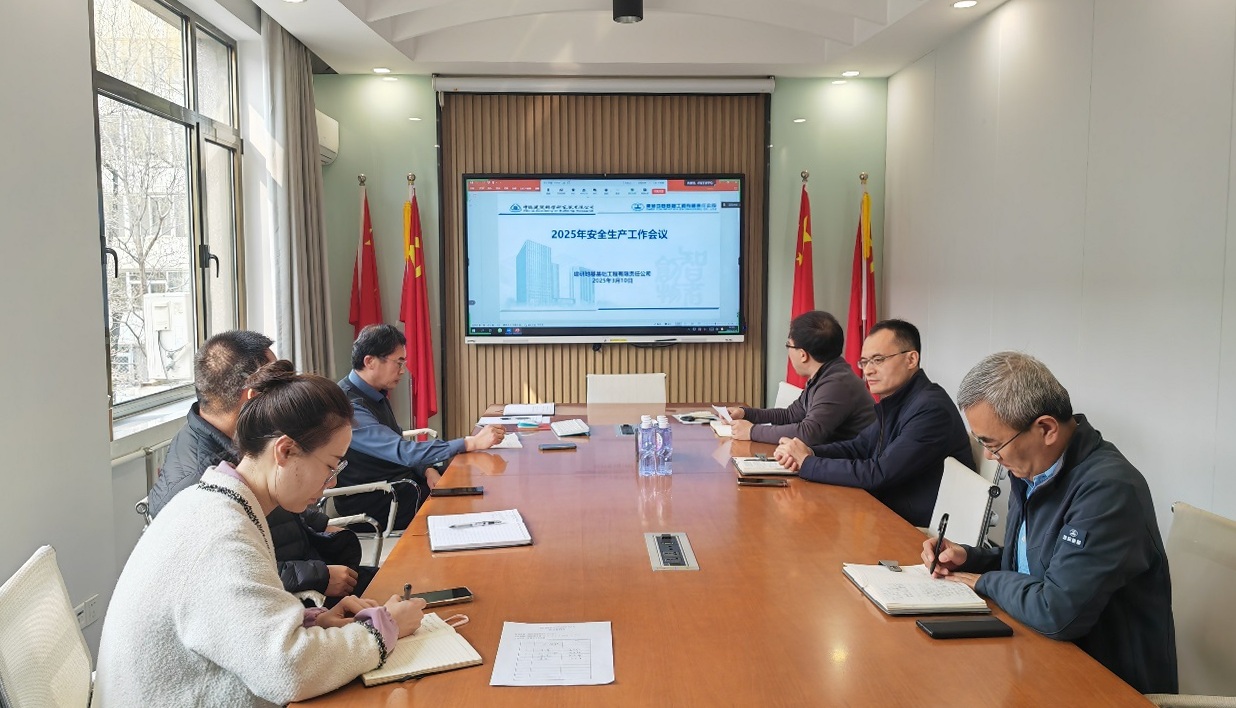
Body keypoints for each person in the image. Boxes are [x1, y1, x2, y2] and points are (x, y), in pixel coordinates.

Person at [93, 361, 427, 706]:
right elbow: (288, 671)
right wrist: (383, 629)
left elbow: (234, 625)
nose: (333, 482)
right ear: (285, 450)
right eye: (330, 466)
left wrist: (313, 622)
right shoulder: (220, 535)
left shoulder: (219, 502)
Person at [922, 352, 1176, 694]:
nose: (989, 456)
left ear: (1046, 429)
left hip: (1105, 683)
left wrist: (984, 581)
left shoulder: (1109, 489)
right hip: (1035, 656)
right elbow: (1034, 565)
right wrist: (969, 558)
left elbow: (1057, 612)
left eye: (993, 444)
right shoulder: (1035, 468)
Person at [146, 330, 366, 601]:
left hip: (303, 562)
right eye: (277, 387)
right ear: (253, 397)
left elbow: (280, 497)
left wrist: (320, 523)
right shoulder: (198, 487)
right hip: (290, 593)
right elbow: (226, 578)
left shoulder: (242, 440)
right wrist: (317, 576)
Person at [772, 319, 973, 526]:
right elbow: (858, 447)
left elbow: (879, 473)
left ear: (911, 359)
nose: (868, 371)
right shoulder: (899, 400)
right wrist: (810, 452)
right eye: (864, 362)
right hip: (888, 514)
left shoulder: (931, 409)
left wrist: (807, 462)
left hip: (918, 530)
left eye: (878, 360)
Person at [337, 324, 503, 529]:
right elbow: (402, 451)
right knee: (469, 501)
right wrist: (471, 442)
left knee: (468, 477)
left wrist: (426, 469)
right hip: (377, 500)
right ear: (370, 361)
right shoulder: (349, 406)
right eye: (398, 362)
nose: (403, 370)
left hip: (400, 484)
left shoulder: (375, 393)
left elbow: (397, 445)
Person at [726, 310, 874, 445]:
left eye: (788, 345)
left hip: (850, 462)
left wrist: (752, 431)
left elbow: (808, 433)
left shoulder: (837, 384)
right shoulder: (826, 374)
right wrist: (746, 413)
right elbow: (790, 416)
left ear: (803, 355)